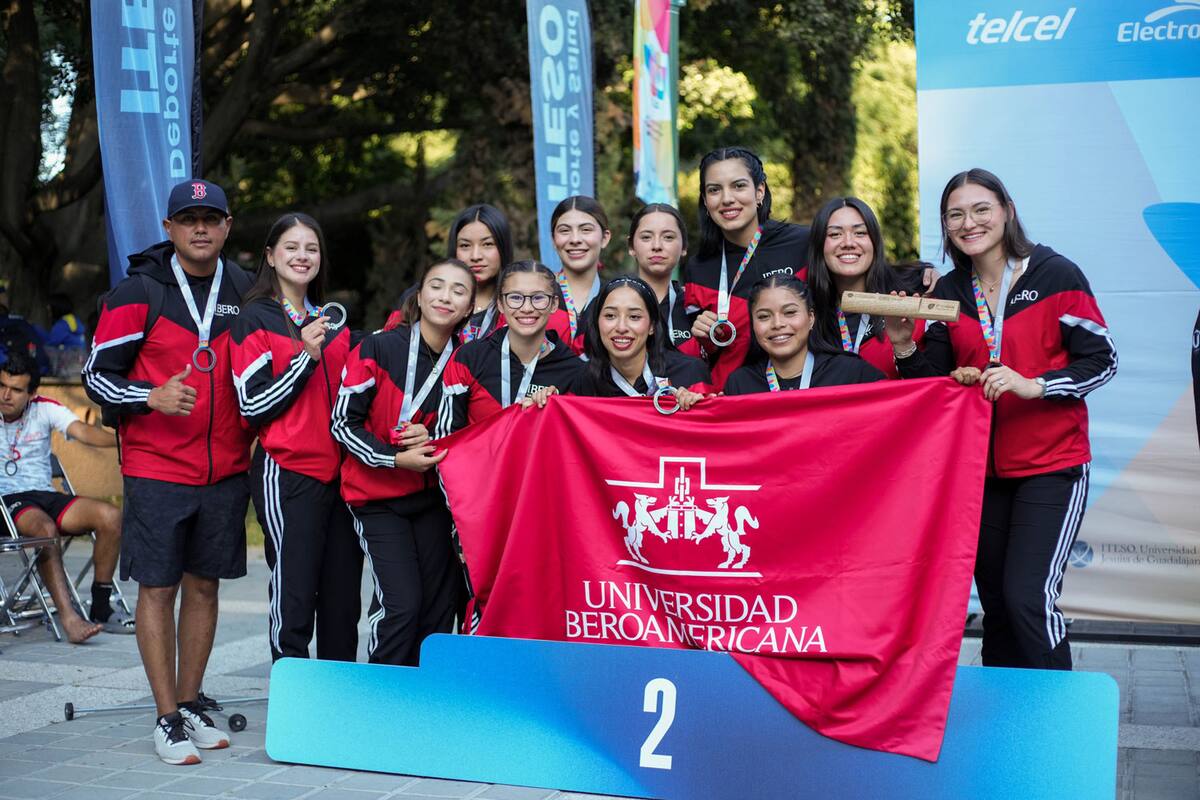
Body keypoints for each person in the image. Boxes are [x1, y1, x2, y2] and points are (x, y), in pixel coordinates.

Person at [891, 167, 1117, 670]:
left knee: (1027, 601)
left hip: (1051, 466)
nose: (969, 222)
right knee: (996, 609)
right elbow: (932, 388)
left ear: (1007, 211)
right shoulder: (950, 291)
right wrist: (905, 343)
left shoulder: (1055, 274)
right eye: (956, 215)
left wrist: (1034, 385)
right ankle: (1008, 734)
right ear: (946, 228)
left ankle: (1060, 722)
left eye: (980, 209)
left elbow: (1103, 360)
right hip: (980, 476)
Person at [83, 179, 254, 765]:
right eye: (188, 219)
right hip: (157, 468)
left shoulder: (247, 290)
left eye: (211, 218)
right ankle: (164, 719)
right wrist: (148, 396)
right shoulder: (139, 292)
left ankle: (188, 705)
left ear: (228, 226)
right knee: (157, 589)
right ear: (169, 227)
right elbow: (95, 376)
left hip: (226, 468)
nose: (200, 228)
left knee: (204, 586)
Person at [229, 213, 361, 664]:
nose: (302, 256)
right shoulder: (255, 318)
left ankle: (339, 695)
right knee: (296, 587)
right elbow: (252, 405)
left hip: (341, 478)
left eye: (311, 248)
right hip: (286, 472)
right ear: (270, 255)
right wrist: (306, 356)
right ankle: (292, 691)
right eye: (291, 246)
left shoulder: (333, 321)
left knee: (343, 596)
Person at [331, 259, 474, 666]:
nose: (445, 296)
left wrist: (435, 439)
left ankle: (416, 705)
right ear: (420, 294)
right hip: (376, 500)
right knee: (401, 606)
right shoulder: (378, 346)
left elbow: (467, 431)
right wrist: (395, 459)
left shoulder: (466, 359)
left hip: (431, 501)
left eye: (458, 291)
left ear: (468, 308)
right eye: (437, 286)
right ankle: (380, 700)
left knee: (436, 611)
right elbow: (342, 423)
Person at [0, 352, 132, 640]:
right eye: (2, 386)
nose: (6, 395)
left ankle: (100, 606)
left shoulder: (44, 408)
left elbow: (82, 431)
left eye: (16, 390)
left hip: (45, 495)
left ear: (32, 394)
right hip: (7, 502)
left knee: (111, 517)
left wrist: (124, 441)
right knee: (46, 530)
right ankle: (70, 619)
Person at [684, 146, 810, 389]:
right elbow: (704, 355)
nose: (727, 198)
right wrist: (705, 338)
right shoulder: (699, 269)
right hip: (735, 401)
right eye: (714, 190)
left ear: (759, 191)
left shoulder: (804, 244)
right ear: (705, 201)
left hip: (803, 393)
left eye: (738, 186)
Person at [437, 260, 585, 434]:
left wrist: (555, 411)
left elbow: (574, 446)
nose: (527, 308)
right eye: (515, 297)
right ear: (500, 303)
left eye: (538, 298)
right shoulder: (469, 359)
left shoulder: (575, 372)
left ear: (553, 304)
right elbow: (447, 440)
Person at [805, 197, 927, 379]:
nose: (848, 242)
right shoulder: (805, 311)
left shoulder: (914, 291)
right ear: (819, 245)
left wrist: (905, 348)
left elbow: (935, 389)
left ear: (875, 242)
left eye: (860, 233)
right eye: (834, 234)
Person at [725, 275, 886, 394]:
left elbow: (901, 407)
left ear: (810, 318)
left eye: (789, 312)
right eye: (764, 316)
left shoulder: (850, 372)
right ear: (753, 324)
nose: (777, 324)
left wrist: (903, 346)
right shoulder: (739, 384)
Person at [569, 276, 710, 409]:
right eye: (610, 316)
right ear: (597, 323)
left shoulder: (690, 372)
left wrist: (697, 405)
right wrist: (548, 399)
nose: (621, 327)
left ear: (652, 326)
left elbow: (710, 428)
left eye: (634, 317)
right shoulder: (583, 381)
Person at [551, 196, 611, 354]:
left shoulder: (616, 296)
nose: (575, 239)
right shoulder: (537, 296)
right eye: (564, 230)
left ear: (605, 238)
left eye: (586, 230)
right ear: (553, 240)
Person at [629, 203, 693, 349]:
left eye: (668, 237)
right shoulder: (611, 303)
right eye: (646, 237)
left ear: (684, 247)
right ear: (631, 247)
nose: (657, 245)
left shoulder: (695, 306)